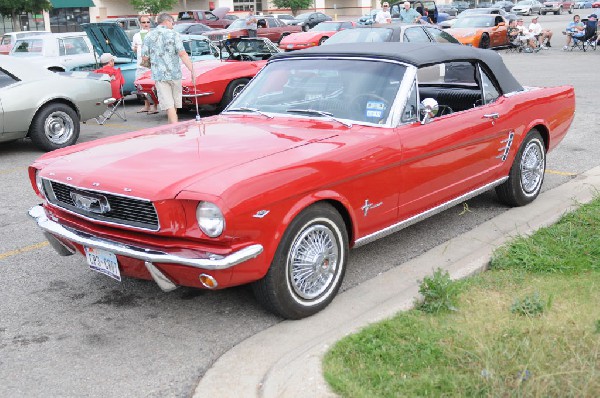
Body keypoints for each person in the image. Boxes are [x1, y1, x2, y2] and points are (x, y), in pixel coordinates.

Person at [141, 12, 194, 124]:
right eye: (172, 22)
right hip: (175, 74)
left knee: (169, 105)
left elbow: (144, 57)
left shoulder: (149, 36)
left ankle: (174, 129)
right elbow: (183, 54)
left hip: (160, 76)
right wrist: (192, 70)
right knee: (174, 105)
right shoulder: (174, 34)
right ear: (167, 21)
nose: (173, 25)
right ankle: (173, 129)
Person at [132, 16, 157, 114]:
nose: (146, 24)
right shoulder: (136, 35)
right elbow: (133, 48)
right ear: (140, 23)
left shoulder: (153, 34)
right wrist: (136, 48)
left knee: (152, 86)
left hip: (151, 65)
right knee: (141, 86)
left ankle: (154, 106)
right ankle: (146, 106)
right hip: (140, 64)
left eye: (147, 22)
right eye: (143, 22)